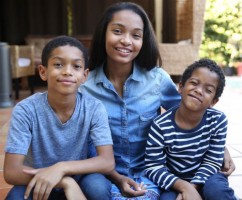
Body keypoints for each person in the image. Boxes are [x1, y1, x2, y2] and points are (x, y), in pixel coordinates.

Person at [80, 2, 235, 199]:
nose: (126, 41)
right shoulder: (86, 87)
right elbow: (83, 140)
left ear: (144, 40)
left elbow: (188, 113)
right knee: (94, 188)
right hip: (106, 171)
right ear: (103, 33)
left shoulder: (157, 79)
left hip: (150, 171)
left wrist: (221, 148)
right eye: (117, 31)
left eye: (136, 35)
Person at [4, 35, 114, 200]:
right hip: (39, 179)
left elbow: (107, 161)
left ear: (84, 76)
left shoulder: (94, 108)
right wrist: (64, 182)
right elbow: (12, 172)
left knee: (97, 188)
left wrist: (61, 168)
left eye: (76, 66)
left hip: (80, 177)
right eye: (58, 64)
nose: (67, 71)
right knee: (16, 197)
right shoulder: (26, 110)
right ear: (43, 72)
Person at [145, 58, 237, 200]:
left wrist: (193, 189)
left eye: (208, 90)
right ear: (180, 87)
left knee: (217, 191)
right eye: (194, 83)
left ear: (214, 101)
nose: (199, 91)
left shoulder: (218, 120)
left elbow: (212, 161)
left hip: (209, 175)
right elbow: (154, 167)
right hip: (175, 180)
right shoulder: (160, 125)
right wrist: (183, 187)